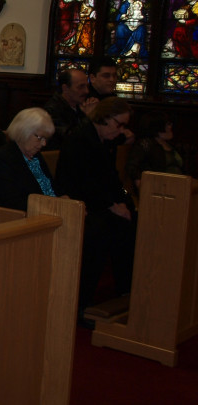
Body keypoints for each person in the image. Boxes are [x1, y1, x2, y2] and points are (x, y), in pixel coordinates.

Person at [54, 97, 136, 319]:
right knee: (99, 231)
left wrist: (122, 202)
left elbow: (111, 178)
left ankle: (125, 289)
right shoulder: (80, 138)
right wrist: (111, 205)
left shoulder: (104, 141)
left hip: (95, 201)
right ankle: (81, 302)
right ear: (104, 118)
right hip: (76, 202)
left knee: (130, 222)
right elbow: (84, 182)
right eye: (119, 124)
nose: (121, 130)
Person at [0, 108, 59, 212]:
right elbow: (10, 203)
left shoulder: (36, 156)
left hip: (47, 213)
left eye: (46, 139)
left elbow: (49, 189)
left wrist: (61, 200)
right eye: (40, 138)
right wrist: (49, 206)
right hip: (23, 219)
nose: (44, 144)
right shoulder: (3, 159)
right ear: (24, 131)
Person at [125, 111, 190, 193]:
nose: (170, 127)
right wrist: (139, 180)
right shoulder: (145, 144)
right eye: (167, 124)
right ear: (157, 127)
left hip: (180, 186)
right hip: (160, 188)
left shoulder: (173, 146)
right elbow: (132, 166)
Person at [43, 67, 96, 150]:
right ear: (65, 88)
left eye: (87, 86)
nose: (86, 91)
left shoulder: (81, 106)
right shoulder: (52, 110)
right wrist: (88, 118)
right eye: (81, 87)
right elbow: (71, 138)